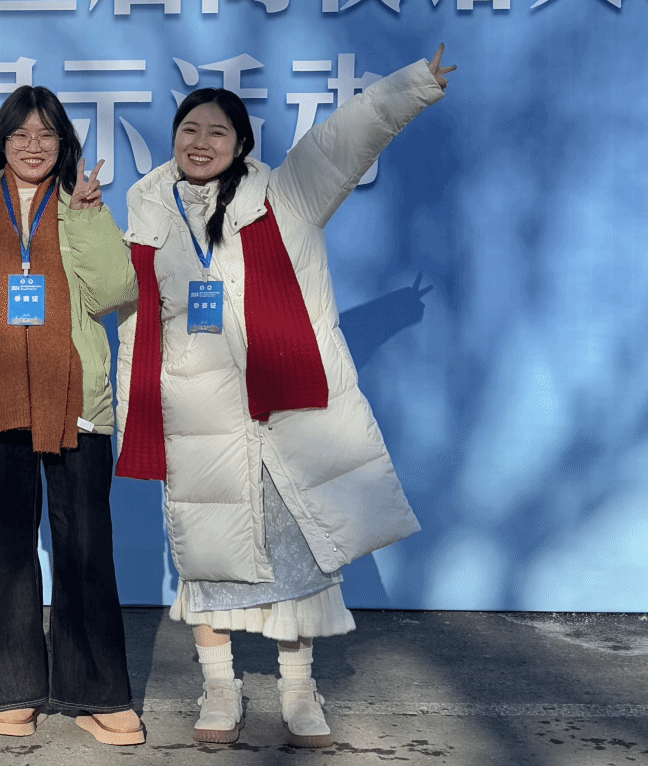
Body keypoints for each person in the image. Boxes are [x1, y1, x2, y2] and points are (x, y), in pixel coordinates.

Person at [114, 46, 457, 748]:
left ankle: (299, 690)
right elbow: (134, 330)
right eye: (188, 129)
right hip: (198, 421)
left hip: (283, 420)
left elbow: (344, 140)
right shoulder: (147, 218)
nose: (200, 141)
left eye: (216, 131)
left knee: (299, 557)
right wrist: (132, 416)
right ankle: (219, 686)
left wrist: (413, 83)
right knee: (208, 559)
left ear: (241, 143)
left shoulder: (285, 196)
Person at [0, 86, 146, 746]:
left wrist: (89, 219)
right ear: (1, 142)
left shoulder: (81, 208)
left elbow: (115, 291)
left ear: (62, 144)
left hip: (76, 402)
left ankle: (96, 691)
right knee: (9, 547)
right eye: (20, 133)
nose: (33, 145)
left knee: (85, 546)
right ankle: (12, 687)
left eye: (47, 134)